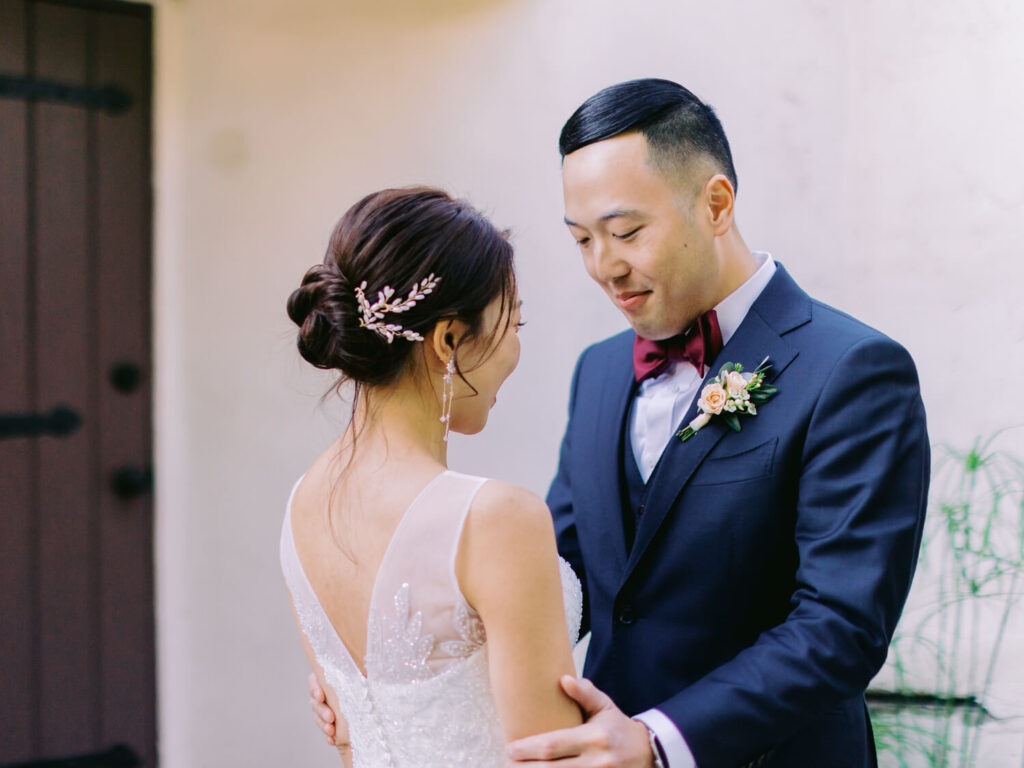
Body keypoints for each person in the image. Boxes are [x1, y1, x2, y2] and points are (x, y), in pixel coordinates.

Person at [311, 80, 930, 768]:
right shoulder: (601, 371)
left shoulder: (852, 369)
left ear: (716, 204)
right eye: (581, 240)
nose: (604, 266)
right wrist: (400, 673)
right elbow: (556, 575)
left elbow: (840, 626)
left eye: (626, 232)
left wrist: (661, 740)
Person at [282, 186, 584, 768]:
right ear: (448, 340)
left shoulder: (302, 506)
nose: (516, 347)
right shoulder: (496, 520)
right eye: (513, 323)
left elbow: (351, 741)